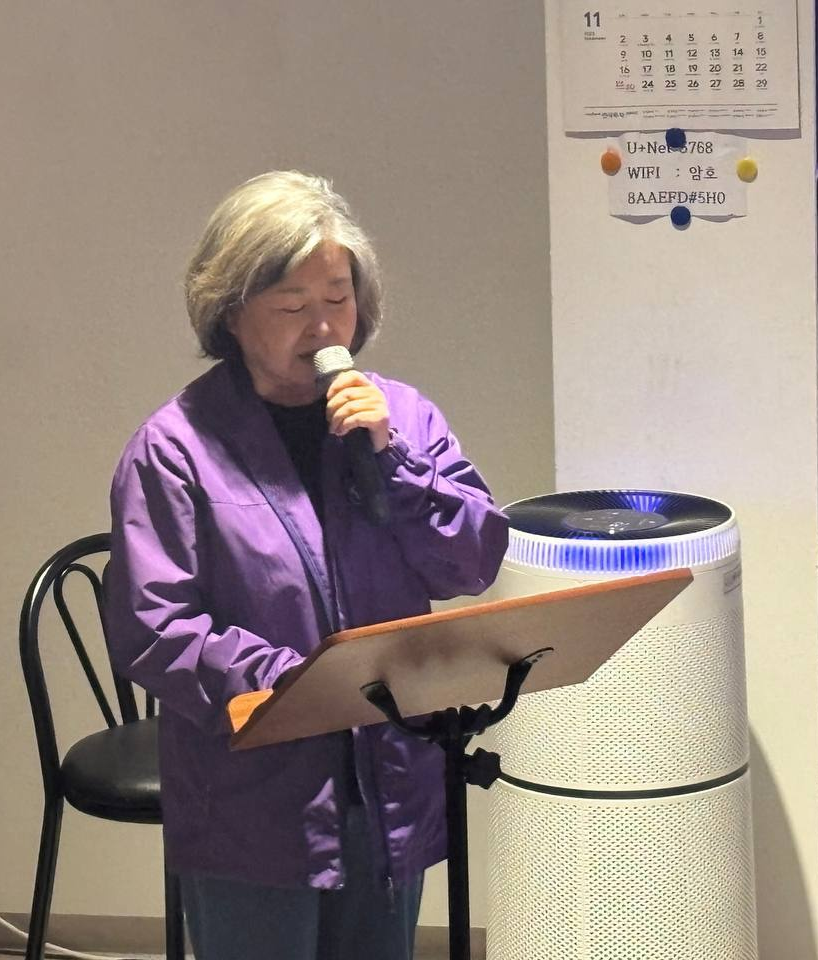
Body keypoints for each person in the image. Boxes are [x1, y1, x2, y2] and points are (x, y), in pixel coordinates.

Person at [103, 171, 509, 960]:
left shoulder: (404, 416)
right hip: (253, 796)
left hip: (386, 780)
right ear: (230, 311)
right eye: (292, 305)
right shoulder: (174, 449)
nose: (324, 326)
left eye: (339, 298)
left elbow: (470, 563)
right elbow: (157, 629)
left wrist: (397, 461)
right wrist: (308, 684)